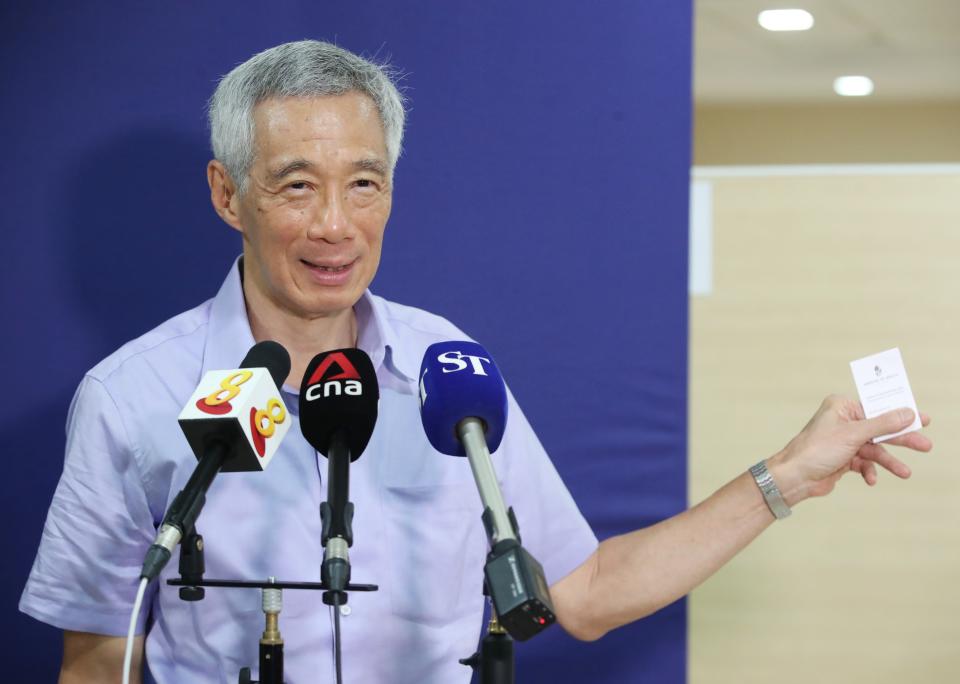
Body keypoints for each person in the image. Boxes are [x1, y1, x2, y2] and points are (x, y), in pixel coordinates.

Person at [20, 40, 932, 684]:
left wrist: (790, 476)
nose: (336, 224)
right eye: (296, 185)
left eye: (364, 184)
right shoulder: (133, 396)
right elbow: (101, 659)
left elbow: (586, 593)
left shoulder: (446, 371)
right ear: (229, 195)